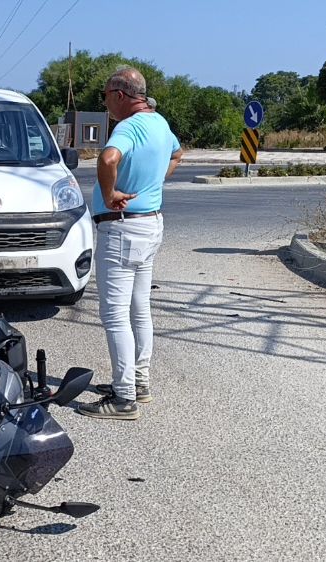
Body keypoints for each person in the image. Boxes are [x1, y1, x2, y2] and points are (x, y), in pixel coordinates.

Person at [75, 67, 182, 420]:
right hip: (150, 225)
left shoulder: (129, 127)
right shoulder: (160, 124)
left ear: (120, 95)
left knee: (114, 314)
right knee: (139, 308)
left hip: (122, 230)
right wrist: (153, 183)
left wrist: (109, 193)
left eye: (105, 96)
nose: (104, 103)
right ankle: (139, 382)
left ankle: (123, 399)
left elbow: (107, 159)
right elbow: (177, 156)